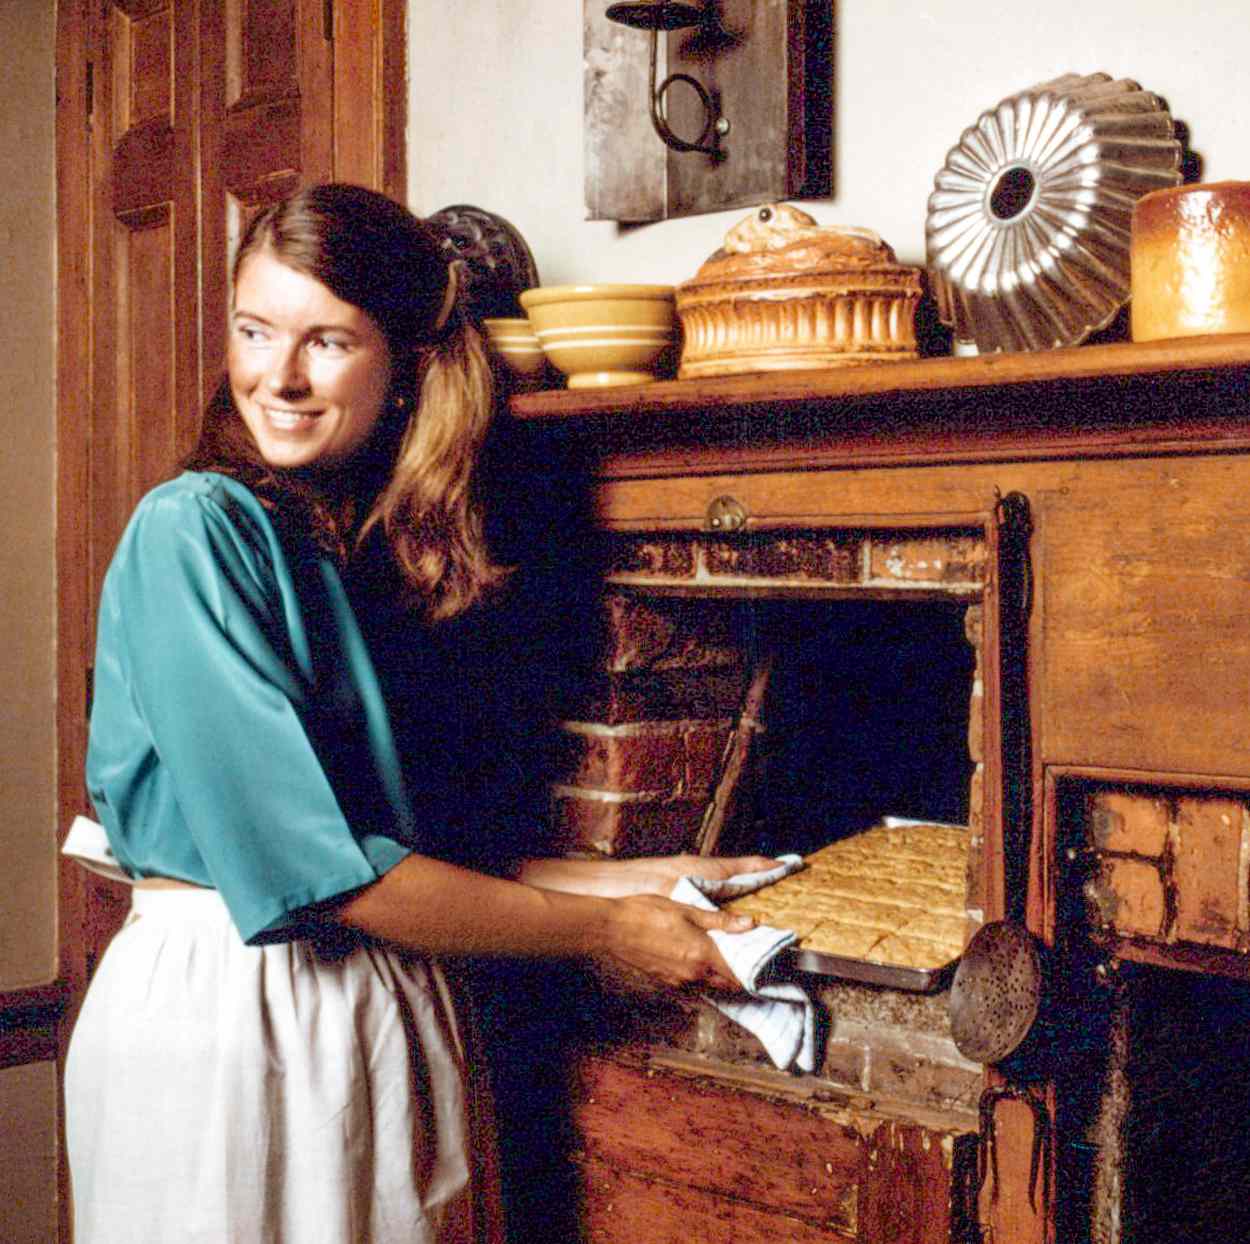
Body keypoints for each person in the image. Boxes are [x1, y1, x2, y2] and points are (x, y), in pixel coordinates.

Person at [63, 182, 774, 1244]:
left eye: (328, 341)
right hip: (229, 1020)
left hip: (374, 1002)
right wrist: (611, 927)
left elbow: (390, 848)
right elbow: (326, 878)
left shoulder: (349, 542)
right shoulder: (191, 531)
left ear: (403, 365)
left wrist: (643, 877)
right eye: (255, 331)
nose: (279, 377)